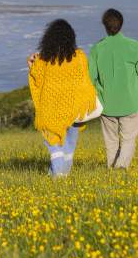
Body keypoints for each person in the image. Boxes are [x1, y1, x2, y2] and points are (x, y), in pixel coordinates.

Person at [28, 19, 99, 177]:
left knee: (55, 148)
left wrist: (31, 63)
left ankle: (58, 178)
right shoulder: (80, 57)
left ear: (48, 38)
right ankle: (59, 178)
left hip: (52, 112)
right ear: (71, 37)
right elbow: (86, 82)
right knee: (69, 147)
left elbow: (36, 79)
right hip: (76, 110)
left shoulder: (43, 60)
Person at [88, 8, 138, 170]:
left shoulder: (97, 49)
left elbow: (90, 78)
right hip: (130, 104)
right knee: (128, 140)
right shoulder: (134, 47)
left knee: (111, 142)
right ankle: (120, 169)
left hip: (106, 105)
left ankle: (114, 172)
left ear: (104, 26)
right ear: (121, 24)